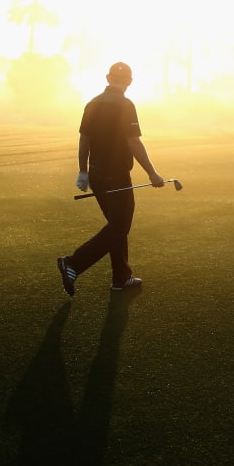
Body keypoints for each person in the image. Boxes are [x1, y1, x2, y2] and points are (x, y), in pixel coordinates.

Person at [57, 62, 165, 296]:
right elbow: (133, 142)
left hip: (96, 175)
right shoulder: (126, 105)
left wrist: (83, 171)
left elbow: (84, 140)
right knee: (120, 226)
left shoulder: (92, 104)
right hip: (116, 176)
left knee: (116, 225)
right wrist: (152, 173)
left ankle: (121, 278)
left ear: (108, 78)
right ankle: (73, 263)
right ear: (130, 81)